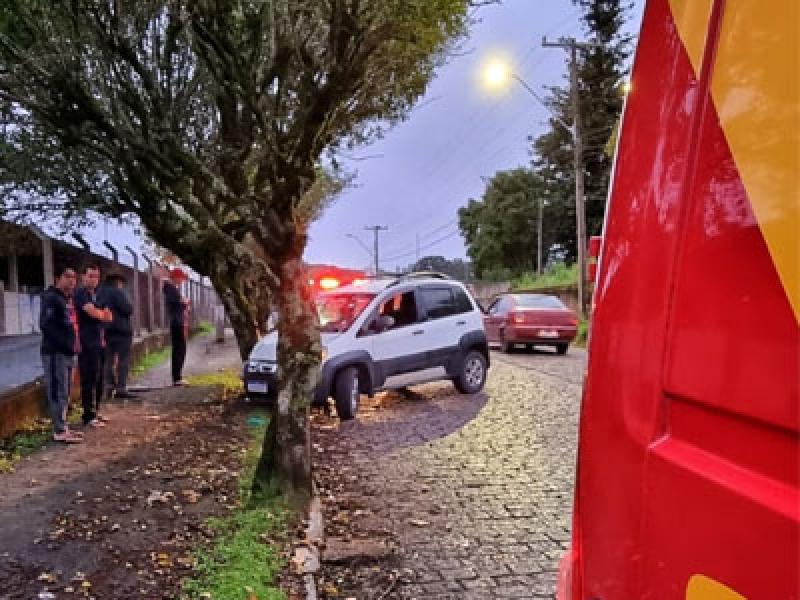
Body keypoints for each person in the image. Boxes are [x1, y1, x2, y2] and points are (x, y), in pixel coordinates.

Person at [40, 265, 83, 443]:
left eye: (74, 277)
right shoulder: (51, 299)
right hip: (55, 353)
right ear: (58, 278)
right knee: (57, 390)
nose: (72, 281)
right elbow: (46, 325)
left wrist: (73, 344)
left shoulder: (67, 299)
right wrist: (64, 345)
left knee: (65, 391)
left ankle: (63, 426)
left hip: (67, 352)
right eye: (68, 277)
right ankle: (58, 430)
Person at [74, 262, 113, 427]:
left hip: (99, 342)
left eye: (96, 276)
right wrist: (100, 314)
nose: (94, 280)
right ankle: (88, 415)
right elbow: (92, 312)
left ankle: (96, 411)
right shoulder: (81, 294)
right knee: (89, 379)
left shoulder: (95, 295)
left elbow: (109, 316)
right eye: (90, 276)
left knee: (99, 378)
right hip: (87, 343)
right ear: (83, 276)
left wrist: (101, 314)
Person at [98, 272, 137, 399]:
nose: (121, 285)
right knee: (123, 359)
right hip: (122, 330)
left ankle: (109, 385)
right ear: (117, 281)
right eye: (121, 282)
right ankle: (121, 387)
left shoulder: (100, 293)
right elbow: (128, 309)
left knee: (108, 360)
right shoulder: (117, 292)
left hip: (107, 329)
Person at [163, 267, 190, 386]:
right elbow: (176, 302)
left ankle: (177, 376)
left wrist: (183, 303)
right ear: (176, 278)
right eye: (181, 278)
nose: (182, 281)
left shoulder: (172, 289)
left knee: (180, 349)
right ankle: (177, 377)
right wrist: (183, 302)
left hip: (177, 321)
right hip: (177, 322)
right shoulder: (171, 289)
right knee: (179, 349)